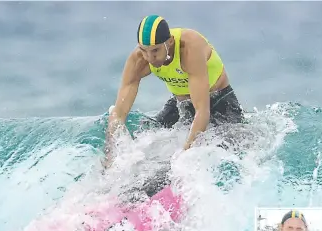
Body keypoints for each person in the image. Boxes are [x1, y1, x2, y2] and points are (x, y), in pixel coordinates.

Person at [104, 15, 244, 169]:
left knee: (228, 152)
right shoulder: (138, 59)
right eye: (144, 50)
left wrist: (184, 161)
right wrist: (110, 158)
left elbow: (202, 112)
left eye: (155, 50)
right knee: (147, 139)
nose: (150, 58)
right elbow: (118, 113)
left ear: (169, 42)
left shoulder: (190, 48)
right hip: (181, 105)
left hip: (219, 101)